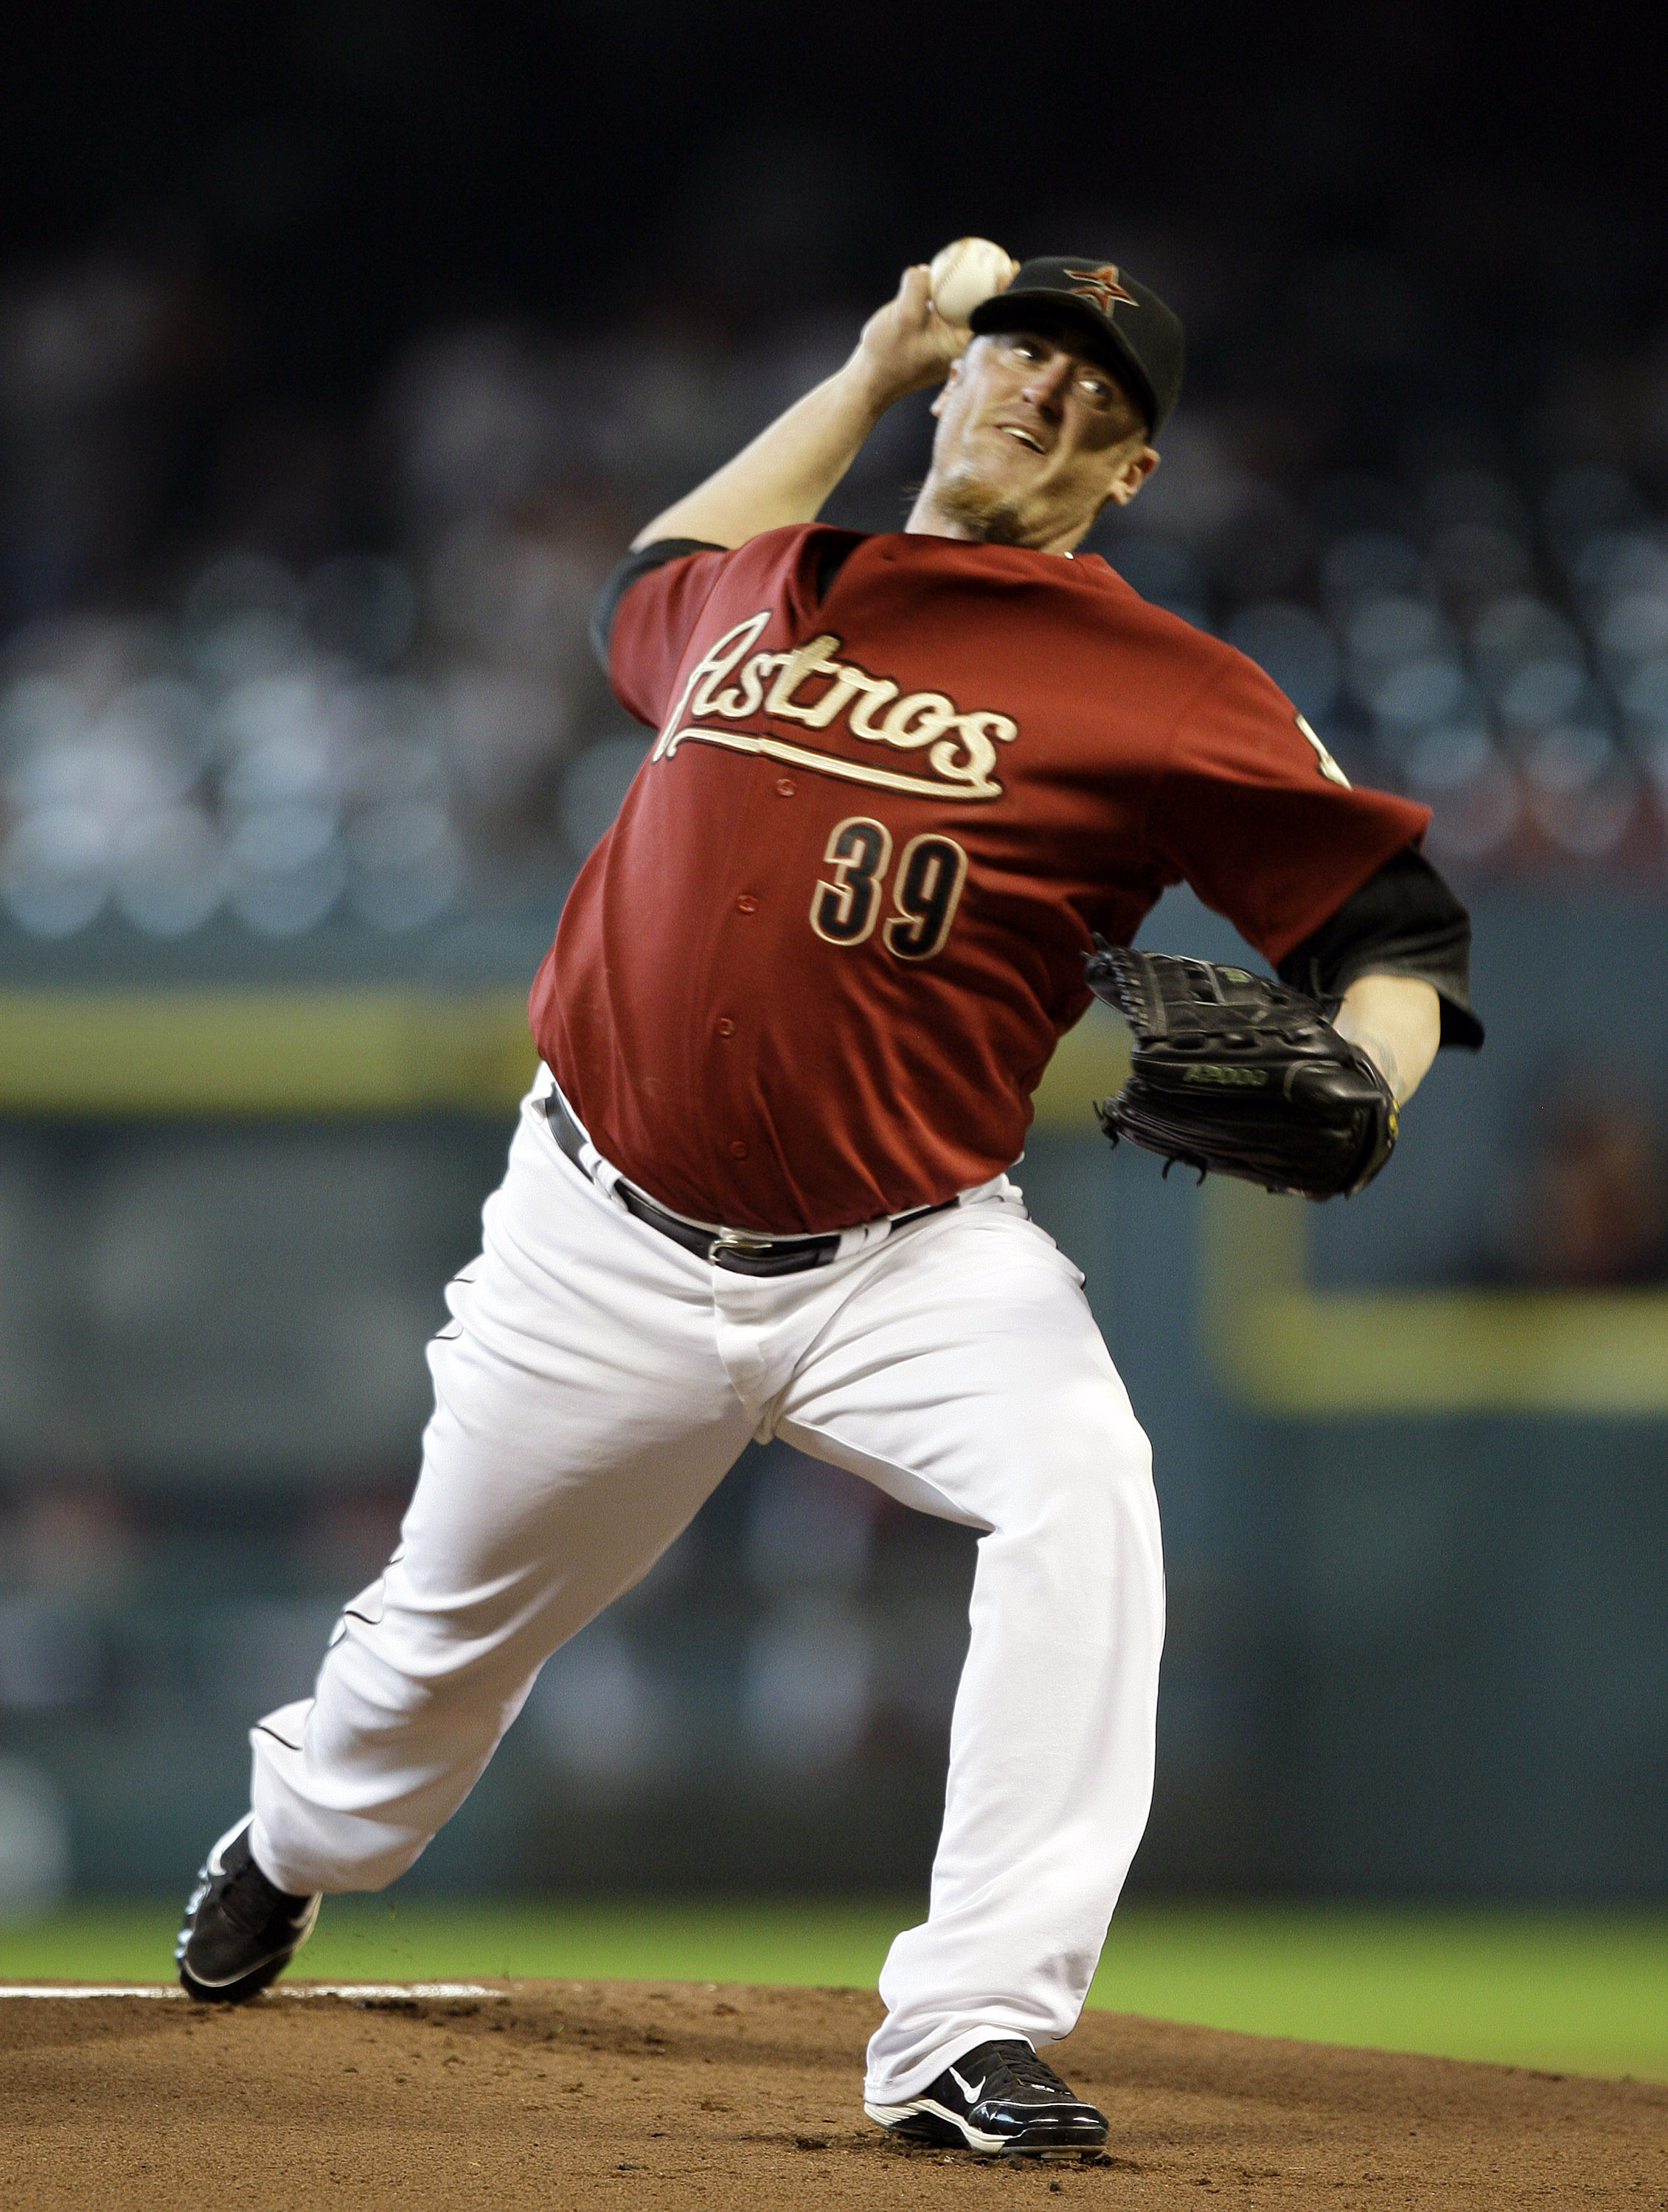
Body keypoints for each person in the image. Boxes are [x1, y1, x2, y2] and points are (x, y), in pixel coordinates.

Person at [176, 255, 1481, 2156]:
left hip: (909, 1258)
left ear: (1128, 472)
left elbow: (1399, 936)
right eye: (1023, 350)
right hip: (596, 1243)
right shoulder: (769, 587)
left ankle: (969, 2024)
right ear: (959, 389)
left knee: (1088, 1489)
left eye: (1097, 391)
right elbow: (649, 571)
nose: (1044, 385)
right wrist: (870, 367)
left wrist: (1370, 1070)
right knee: (416, 1683)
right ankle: (290, 1843)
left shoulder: (1171, 690)